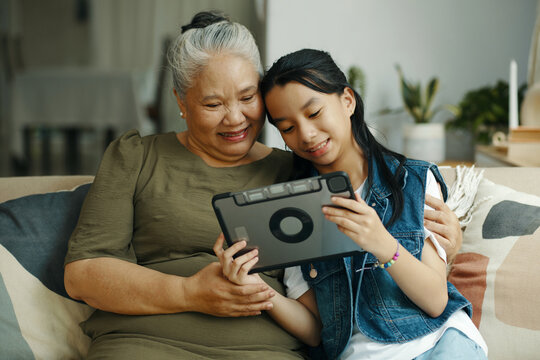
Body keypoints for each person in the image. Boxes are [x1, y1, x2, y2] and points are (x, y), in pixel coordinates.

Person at [63, 10, 463, 359]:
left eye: (247, 97)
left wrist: (445, 245)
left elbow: (380, 212)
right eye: (213, 104)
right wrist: (190, 293)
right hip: (145, 345)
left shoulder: (300, 170)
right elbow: (83, 274)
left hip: (264, 350)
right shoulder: (136, 157)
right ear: (181, 103)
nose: (235, 118)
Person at [216, 48, 487, 359]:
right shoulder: (292, 209)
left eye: (314, 113)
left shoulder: (412, 181)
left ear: (347, 100)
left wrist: (380, 241)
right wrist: (258, 291)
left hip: (440, 344)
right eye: (287, 128)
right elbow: (316, 330)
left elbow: (435, 300)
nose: (306, 134)